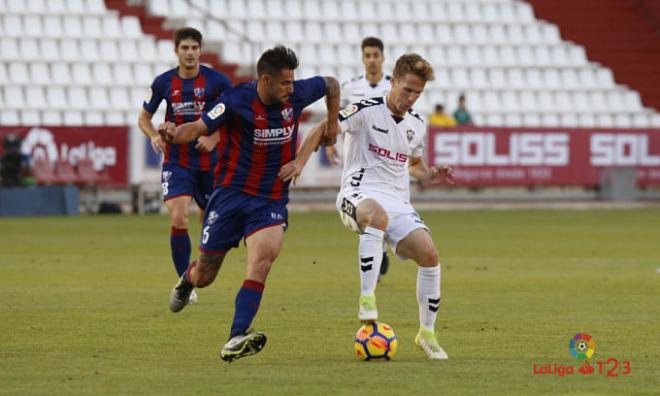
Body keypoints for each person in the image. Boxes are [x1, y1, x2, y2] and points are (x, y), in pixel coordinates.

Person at [158, 46, 340, 362]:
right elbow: (198, 128)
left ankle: (235, 336)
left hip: (270, 200)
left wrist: (332, 127)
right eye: (284, 83)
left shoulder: (296, 94)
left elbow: (332, 85)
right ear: (265, 80)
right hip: (229, 197)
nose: (291, 88)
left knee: (262, 261)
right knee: (206, 274)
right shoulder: (235, 100)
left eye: (292, 82)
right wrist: (174, 134)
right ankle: (188, 280)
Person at [301, 54, 454, 360]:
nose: (410, 98)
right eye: (407, 89)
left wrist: (430, 174)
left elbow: (413, 164)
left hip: (398, 202)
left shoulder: (417, 124)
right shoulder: (366, 109)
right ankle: (367, 298)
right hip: (357, 194)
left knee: (430, 255)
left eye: (417, 93)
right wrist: (298, 161)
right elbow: (324, 128)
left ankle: (427, 334)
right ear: (393, 80)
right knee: (377, 217)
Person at [138, 27, 233, 304]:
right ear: (176, 51)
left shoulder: (218, 81)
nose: (190, 53)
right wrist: (155, 135)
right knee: (179, 216)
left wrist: (215, 137)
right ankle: (185, 282)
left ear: (200, 51)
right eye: (185, 48)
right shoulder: (163, 82)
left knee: (210, 224)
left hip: (210, 163)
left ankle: (200, 270)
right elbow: (143, 117)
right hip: (177, 161)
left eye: (194, 48)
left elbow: (233, 116)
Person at [326, 36, 394, 280]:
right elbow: (336, 118)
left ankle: (379, 249)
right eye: (368, 55)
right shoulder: (350, 87)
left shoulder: (394, 86)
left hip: (386, 161)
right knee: (364, 209)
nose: (372, 60)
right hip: (357, 159)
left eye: (376, 55)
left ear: (383, 58)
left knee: (384, 209)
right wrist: (330, 143)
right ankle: (376, 251)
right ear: (363, 58)